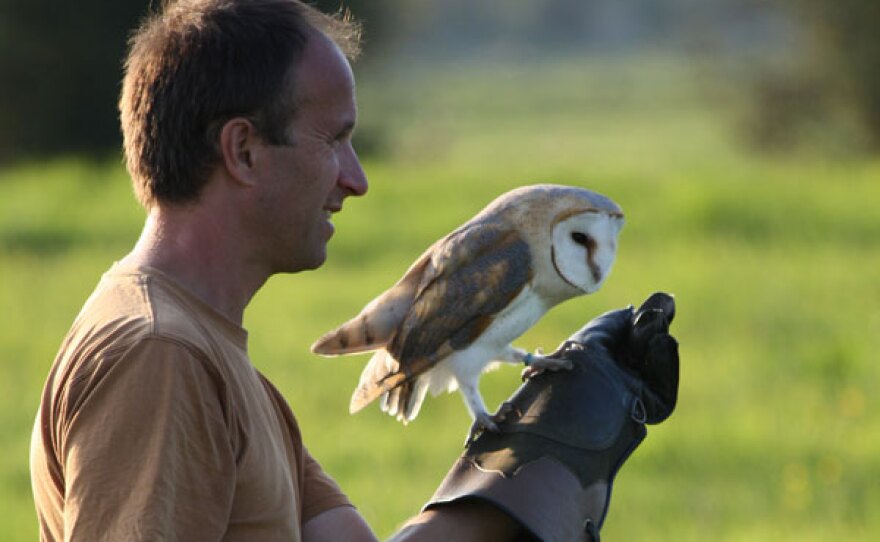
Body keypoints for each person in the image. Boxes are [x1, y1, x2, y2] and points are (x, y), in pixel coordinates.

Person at [30, 1, 679, 540]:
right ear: (244, 151)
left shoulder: (209, 354)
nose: (357, 179)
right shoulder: (160, 358)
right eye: (333, 139)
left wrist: (540, 459)